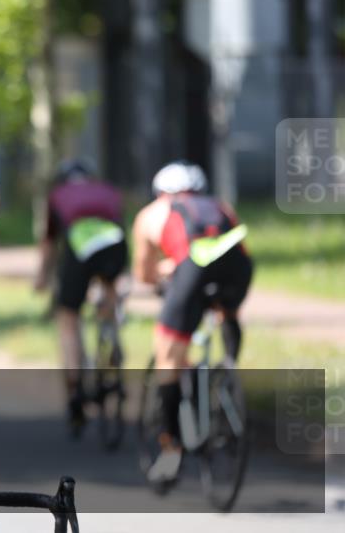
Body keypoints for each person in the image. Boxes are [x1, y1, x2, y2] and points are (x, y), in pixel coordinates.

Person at [131, 160, 253, 484]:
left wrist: (164, 273)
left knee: (168, 353)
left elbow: (143, 274)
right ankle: (225, 374)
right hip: (239, 266)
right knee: (225, 309)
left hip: (192, 269)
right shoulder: (220, 206)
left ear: (160, 191)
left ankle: (171, 446)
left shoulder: (151, 213)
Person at [34, 158, 127, 435]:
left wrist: (42, 279)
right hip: (114, 244)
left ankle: (75, 387)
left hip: (80, 247)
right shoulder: (108, 191)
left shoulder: (57, 195)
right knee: (109, 296)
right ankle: (113, 335)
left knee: (68, 319)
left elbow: (50, 244)